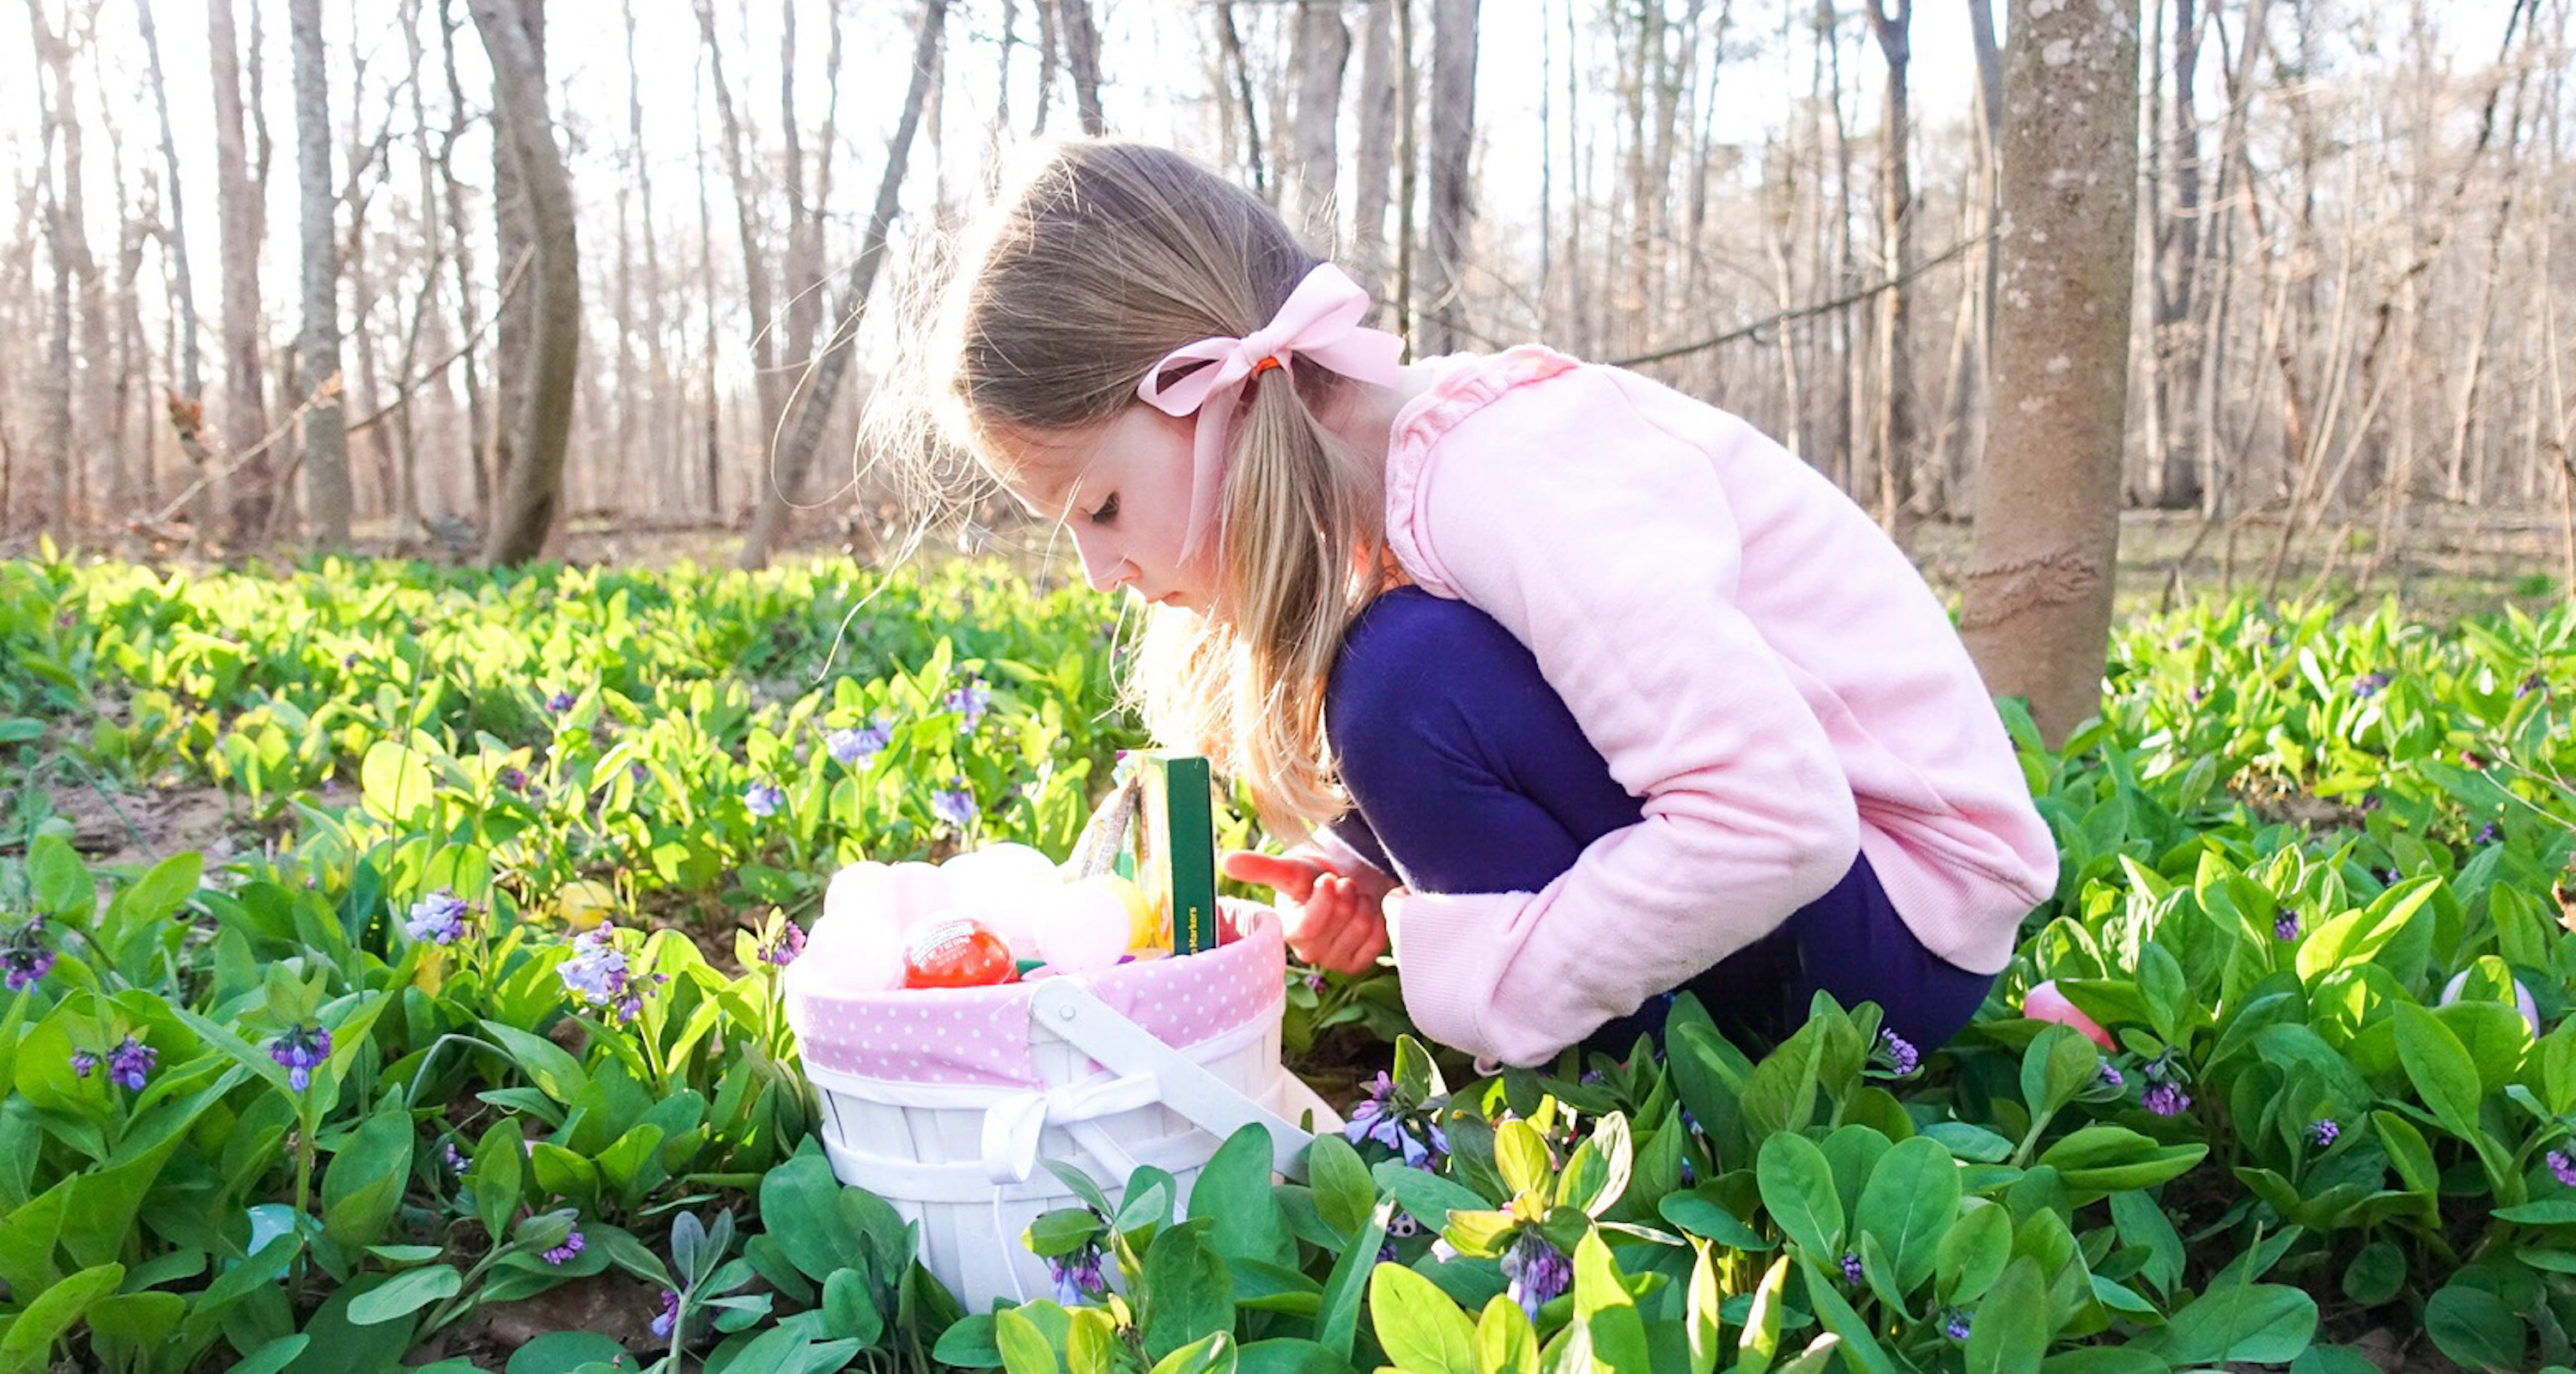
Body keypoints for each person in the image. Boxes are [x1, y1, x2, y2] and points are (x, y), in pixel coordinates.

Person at [917, 139, 2059, 1068]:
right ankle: (1624, 1052)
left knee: (1403, 681)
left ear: (1217, 394)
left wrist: (1485, 986)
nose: (1098, 570)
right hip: (1829, 891)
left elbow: (1779, 821)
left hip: (1902, 917)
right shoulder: (1377, 495)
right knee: (1374, 689)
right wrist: (1376, 872)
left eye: (1103, 506)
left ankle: (1630, 1100)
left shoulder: (1501, 471)